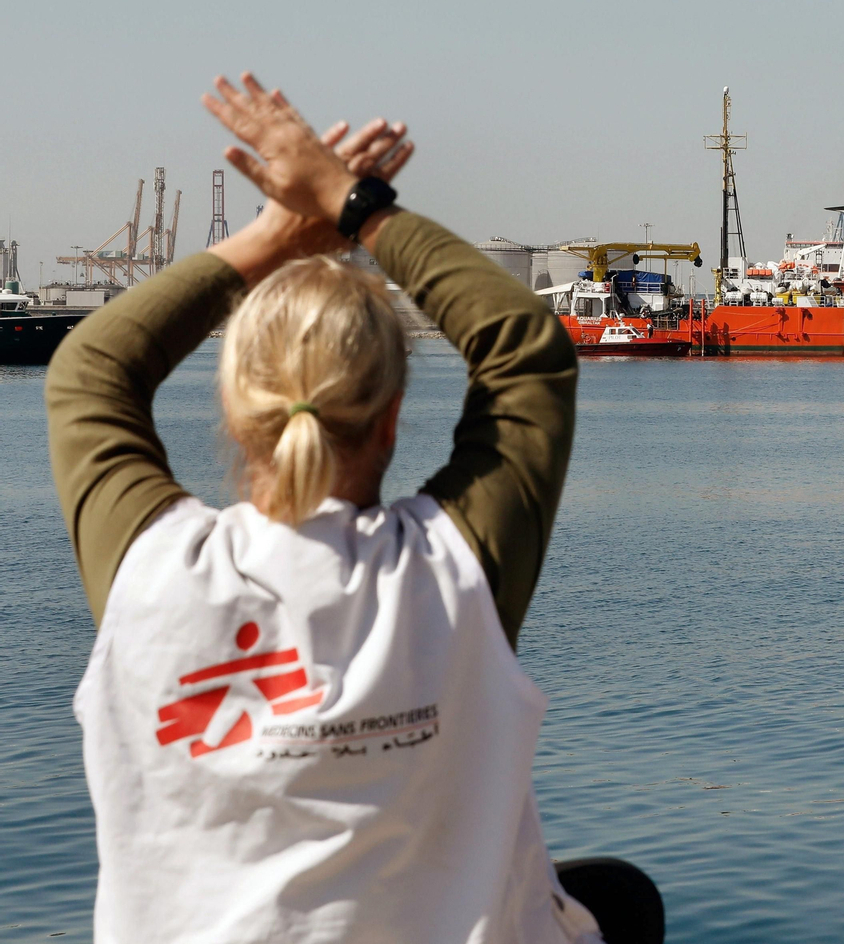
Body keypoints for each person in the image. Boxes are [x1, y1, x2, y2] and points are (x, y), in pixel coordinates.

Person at [47, 74, 660, 943]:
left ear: (233, 411)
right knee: (621, 904)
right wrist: (353, 203)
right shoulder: (450, 574)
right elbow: (527, 350)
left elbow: (91, 369)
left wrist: (276, 233)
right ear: (392, 417)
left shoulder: (149, 576)